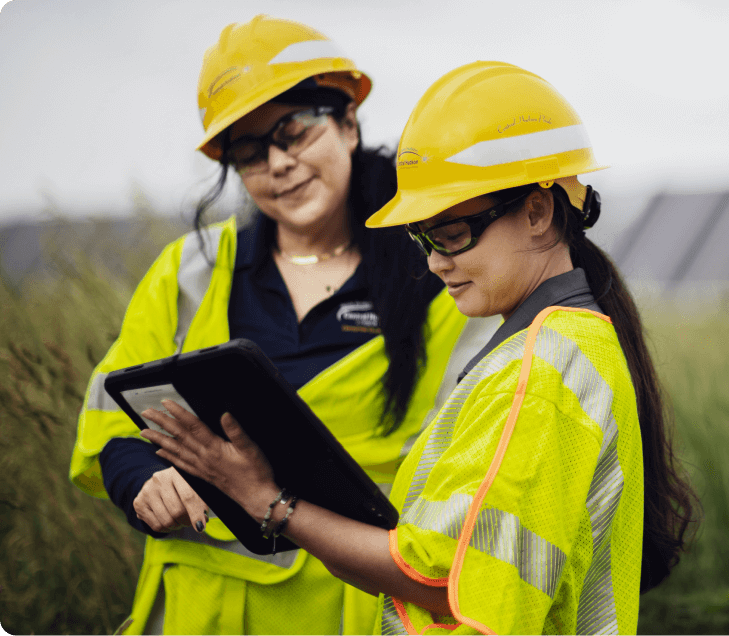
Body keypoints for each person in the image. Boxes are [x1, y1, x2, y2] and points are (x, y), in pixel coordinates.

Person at [140, 60, 700, 635]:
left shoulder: (541, 373)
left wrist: (267, 502)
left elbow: (439, 577)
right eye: (423, 237)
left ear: (537, 210)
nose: (434, 261)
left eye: (453, 232)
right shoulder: (566, 347)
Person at [69, 16, 497, 636]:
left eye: (293, 134)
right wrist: (142, 481)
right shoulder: (191, 272)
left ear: (347, 124)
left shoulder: (435, 273)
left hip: (354, 602)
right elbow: (110, 426)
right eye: (249, 152)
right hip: (201, 610)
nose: (278, 164)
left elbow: (474, 454)